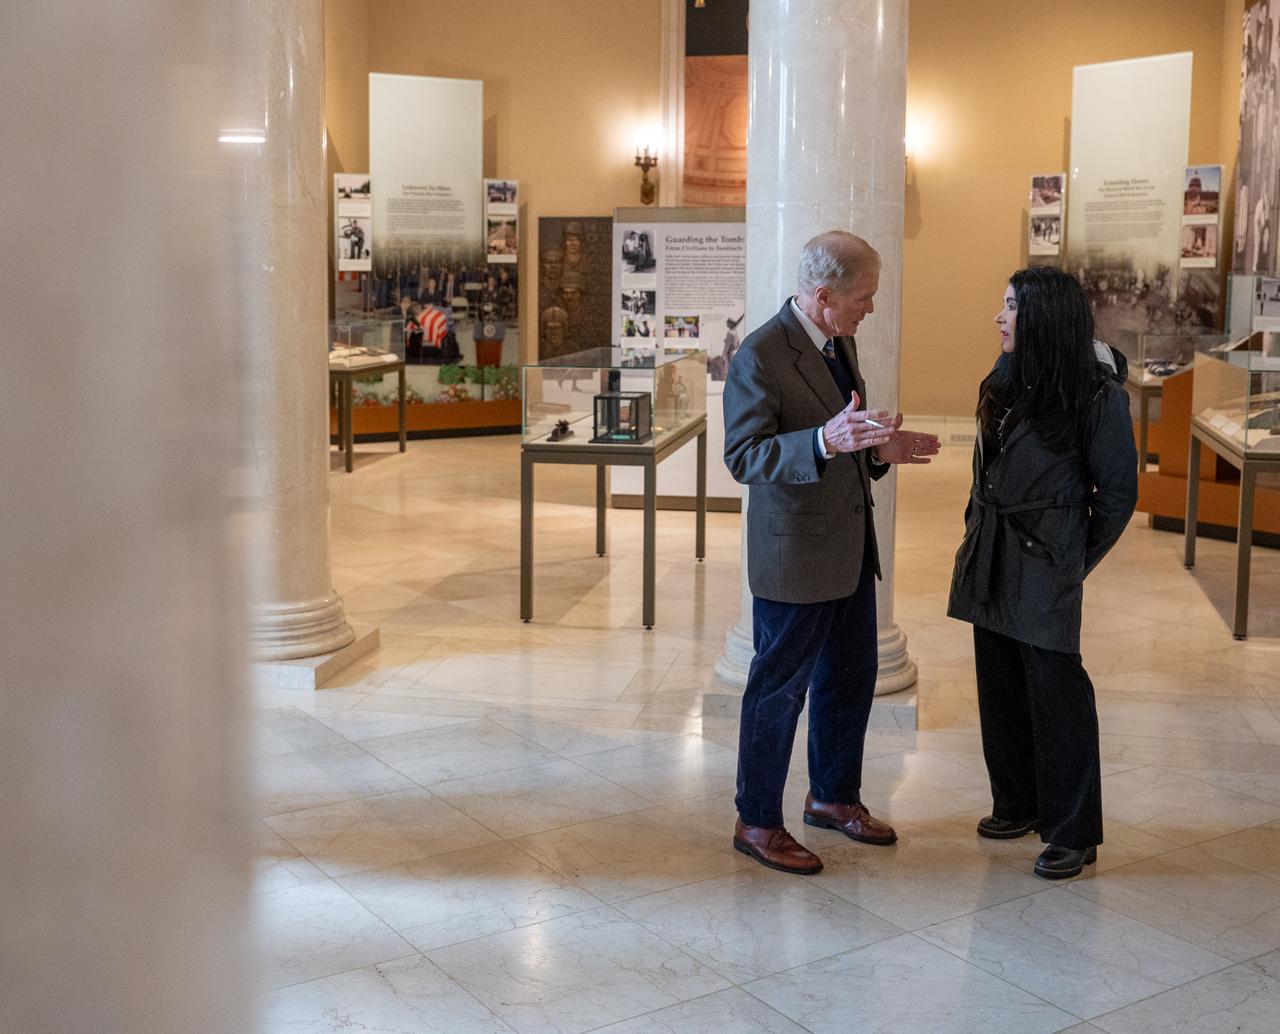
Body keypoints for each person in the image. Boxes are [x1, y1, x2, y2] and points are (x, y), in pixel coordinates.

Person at [722, 230, 940, 876]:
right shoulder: (759, 355)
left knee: (850, 680)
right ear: (823, 296)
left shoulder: (838, 340)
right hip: (794, 558)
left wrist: (875, 449)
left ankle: (833, 798)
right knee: (778, 694)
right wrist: (822, 441)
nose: (869, 309)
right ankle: (757, 820)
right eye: (863, 298)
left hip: (847, 548)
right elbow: (744, 457)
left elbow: (840, 438)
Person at [947, 266, 1138, 880]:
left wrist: (1071, 560)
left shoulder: (1099, 396)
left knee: (1057, 690)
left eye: (1010, 307)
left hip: (1046, 557)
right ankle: (1018, 802)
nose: (999, 318)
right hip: (992, 549)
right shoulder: (1004, 377)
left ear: (1045, 317)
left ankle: (1073, 830)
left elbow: (1117, 495)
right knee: (998, 679)